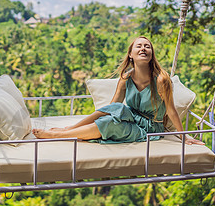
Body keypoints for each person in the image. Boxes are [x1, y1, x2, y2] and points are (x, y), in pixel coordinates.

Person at [33, 36, 205, 145]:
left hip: (150, 127)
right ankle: (69, 129)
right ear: (131, 54)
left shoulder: (161, 80)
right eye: (139, 46)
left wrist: (184, 136)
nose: (143, 48)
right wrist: (106, 116)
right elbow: (113, 106)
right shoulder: (126, 77)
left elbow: (171, 111)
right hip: (132, 115)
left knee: (110, 124)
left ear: (151, 54)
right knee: (116, 109)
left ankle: (61, 136)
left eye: (147, 46)